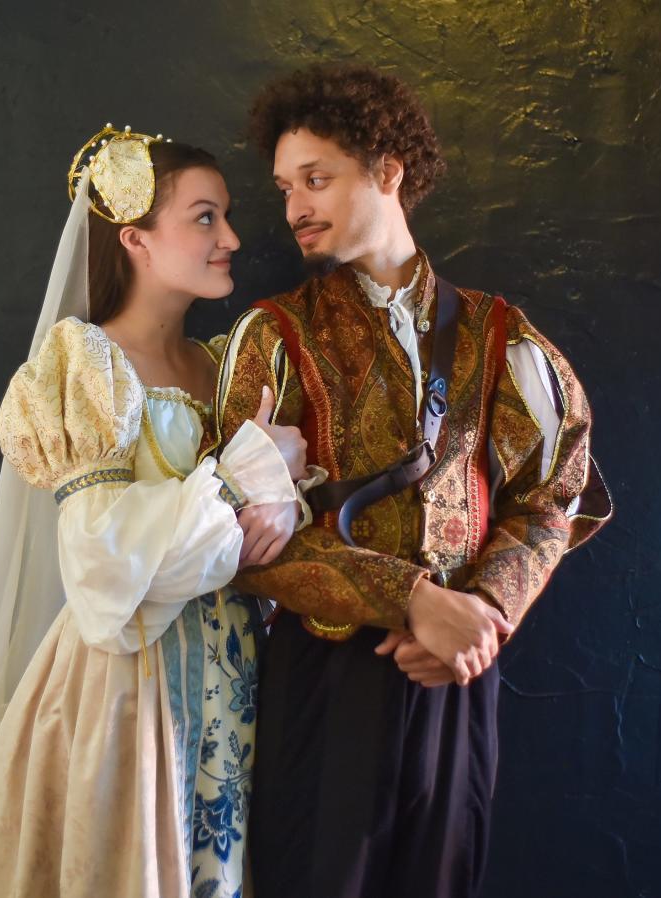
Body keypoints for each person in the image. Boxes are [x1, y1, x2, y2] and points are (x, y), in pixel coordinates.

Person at [214, 65, 614, 898]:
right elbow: (231, 538)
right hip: (323, 683)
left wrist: (483, 616)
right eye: (286, 187)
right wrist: (411, 598)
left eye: (316, 180)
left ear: (388, 172)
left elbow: (555, 495)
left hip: (457, 676)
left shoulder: (503, 336)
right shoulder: (274, 338)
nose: (294, 208)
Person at [0, 125, 308, 898]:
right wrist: (241, 481)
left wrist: (282, 505)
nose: (231, 236)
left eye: (225, 215)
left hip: (234, 682)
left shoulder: (222, 362)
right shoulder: (89, 365)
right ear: (135, 238)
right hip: (130, 690)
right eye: (205, 217)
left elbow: (252, 523)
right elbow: (102, 571)